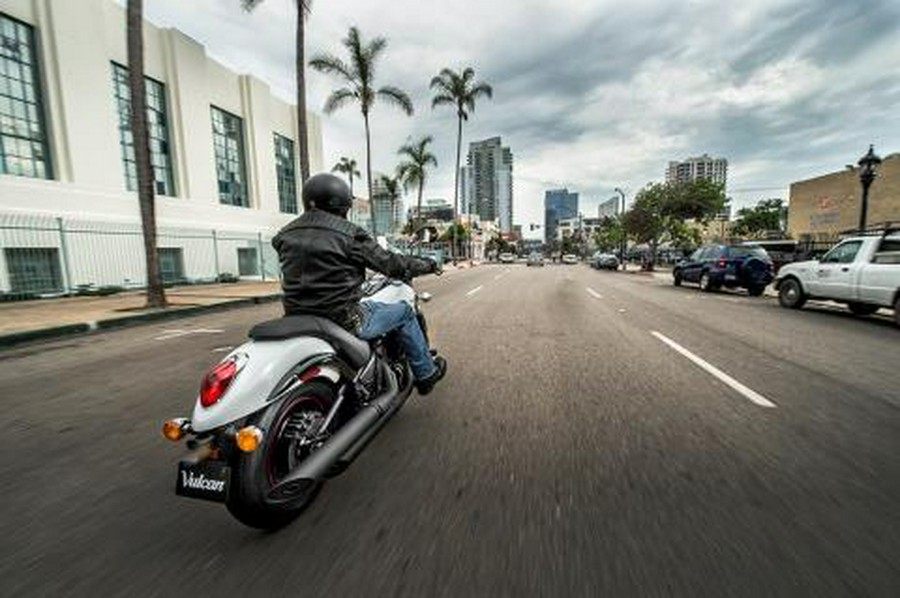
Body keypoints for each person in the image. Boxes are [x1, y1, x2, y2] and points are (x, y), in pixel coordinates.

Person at [272, 173, 447, 395]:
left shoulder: (285, 234)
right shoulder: (349, 233)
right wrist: (428, 265)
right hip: (344, 318)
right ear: (342, 204)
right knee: (404, 310)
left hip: (296, 316)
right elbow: (391, 264)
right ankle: (426, 374)